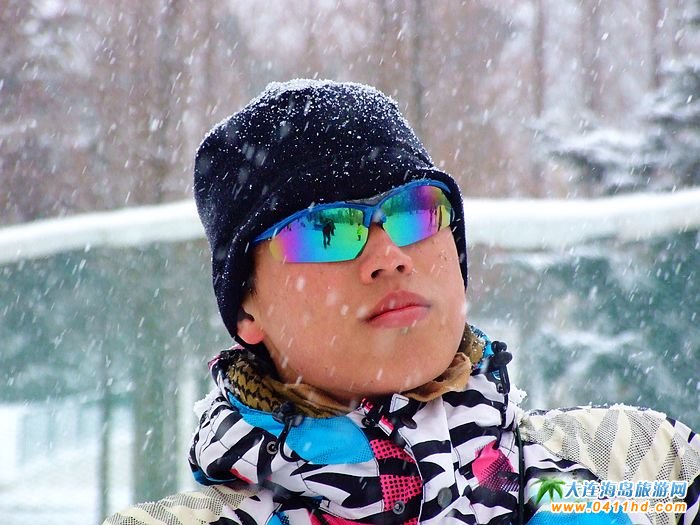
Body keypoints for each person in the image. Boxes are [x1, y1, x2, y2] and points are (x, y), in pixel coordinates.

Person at [105, 80, 700, 525]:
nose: (389, 256)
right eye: (325, 230)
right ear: (246, 311)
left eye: (415, 211)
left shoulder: (643, 468)